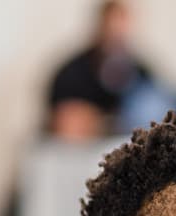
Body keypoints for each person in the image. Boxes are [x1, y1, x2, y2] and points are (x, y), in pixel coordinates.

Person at [46, 0, 161, 140]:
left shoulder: (141, 72)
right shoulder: (71, 74)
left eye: (121, 31)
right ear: (99, 28)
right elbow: (65, 124)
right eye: (111, 29)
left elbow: (157, 116)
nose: (116, 37)